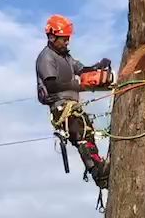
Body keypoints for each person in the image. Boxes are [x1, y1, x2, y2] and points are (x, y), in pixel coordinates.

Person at [36, 15, 111, 188]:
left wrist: (97, 67)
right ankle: (97, 172)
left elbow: (82, 69)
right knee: (81, 134)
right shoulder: (46, 57)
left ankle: (100, 169)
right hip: (61, 107)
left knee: (88, 133)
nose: (67, 42)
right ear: (52, 36)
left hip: (72, 106)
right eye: (64, 39)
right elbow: (52, 85)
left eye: (68, 39)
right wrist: (79, 86)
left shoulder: (66, 57)